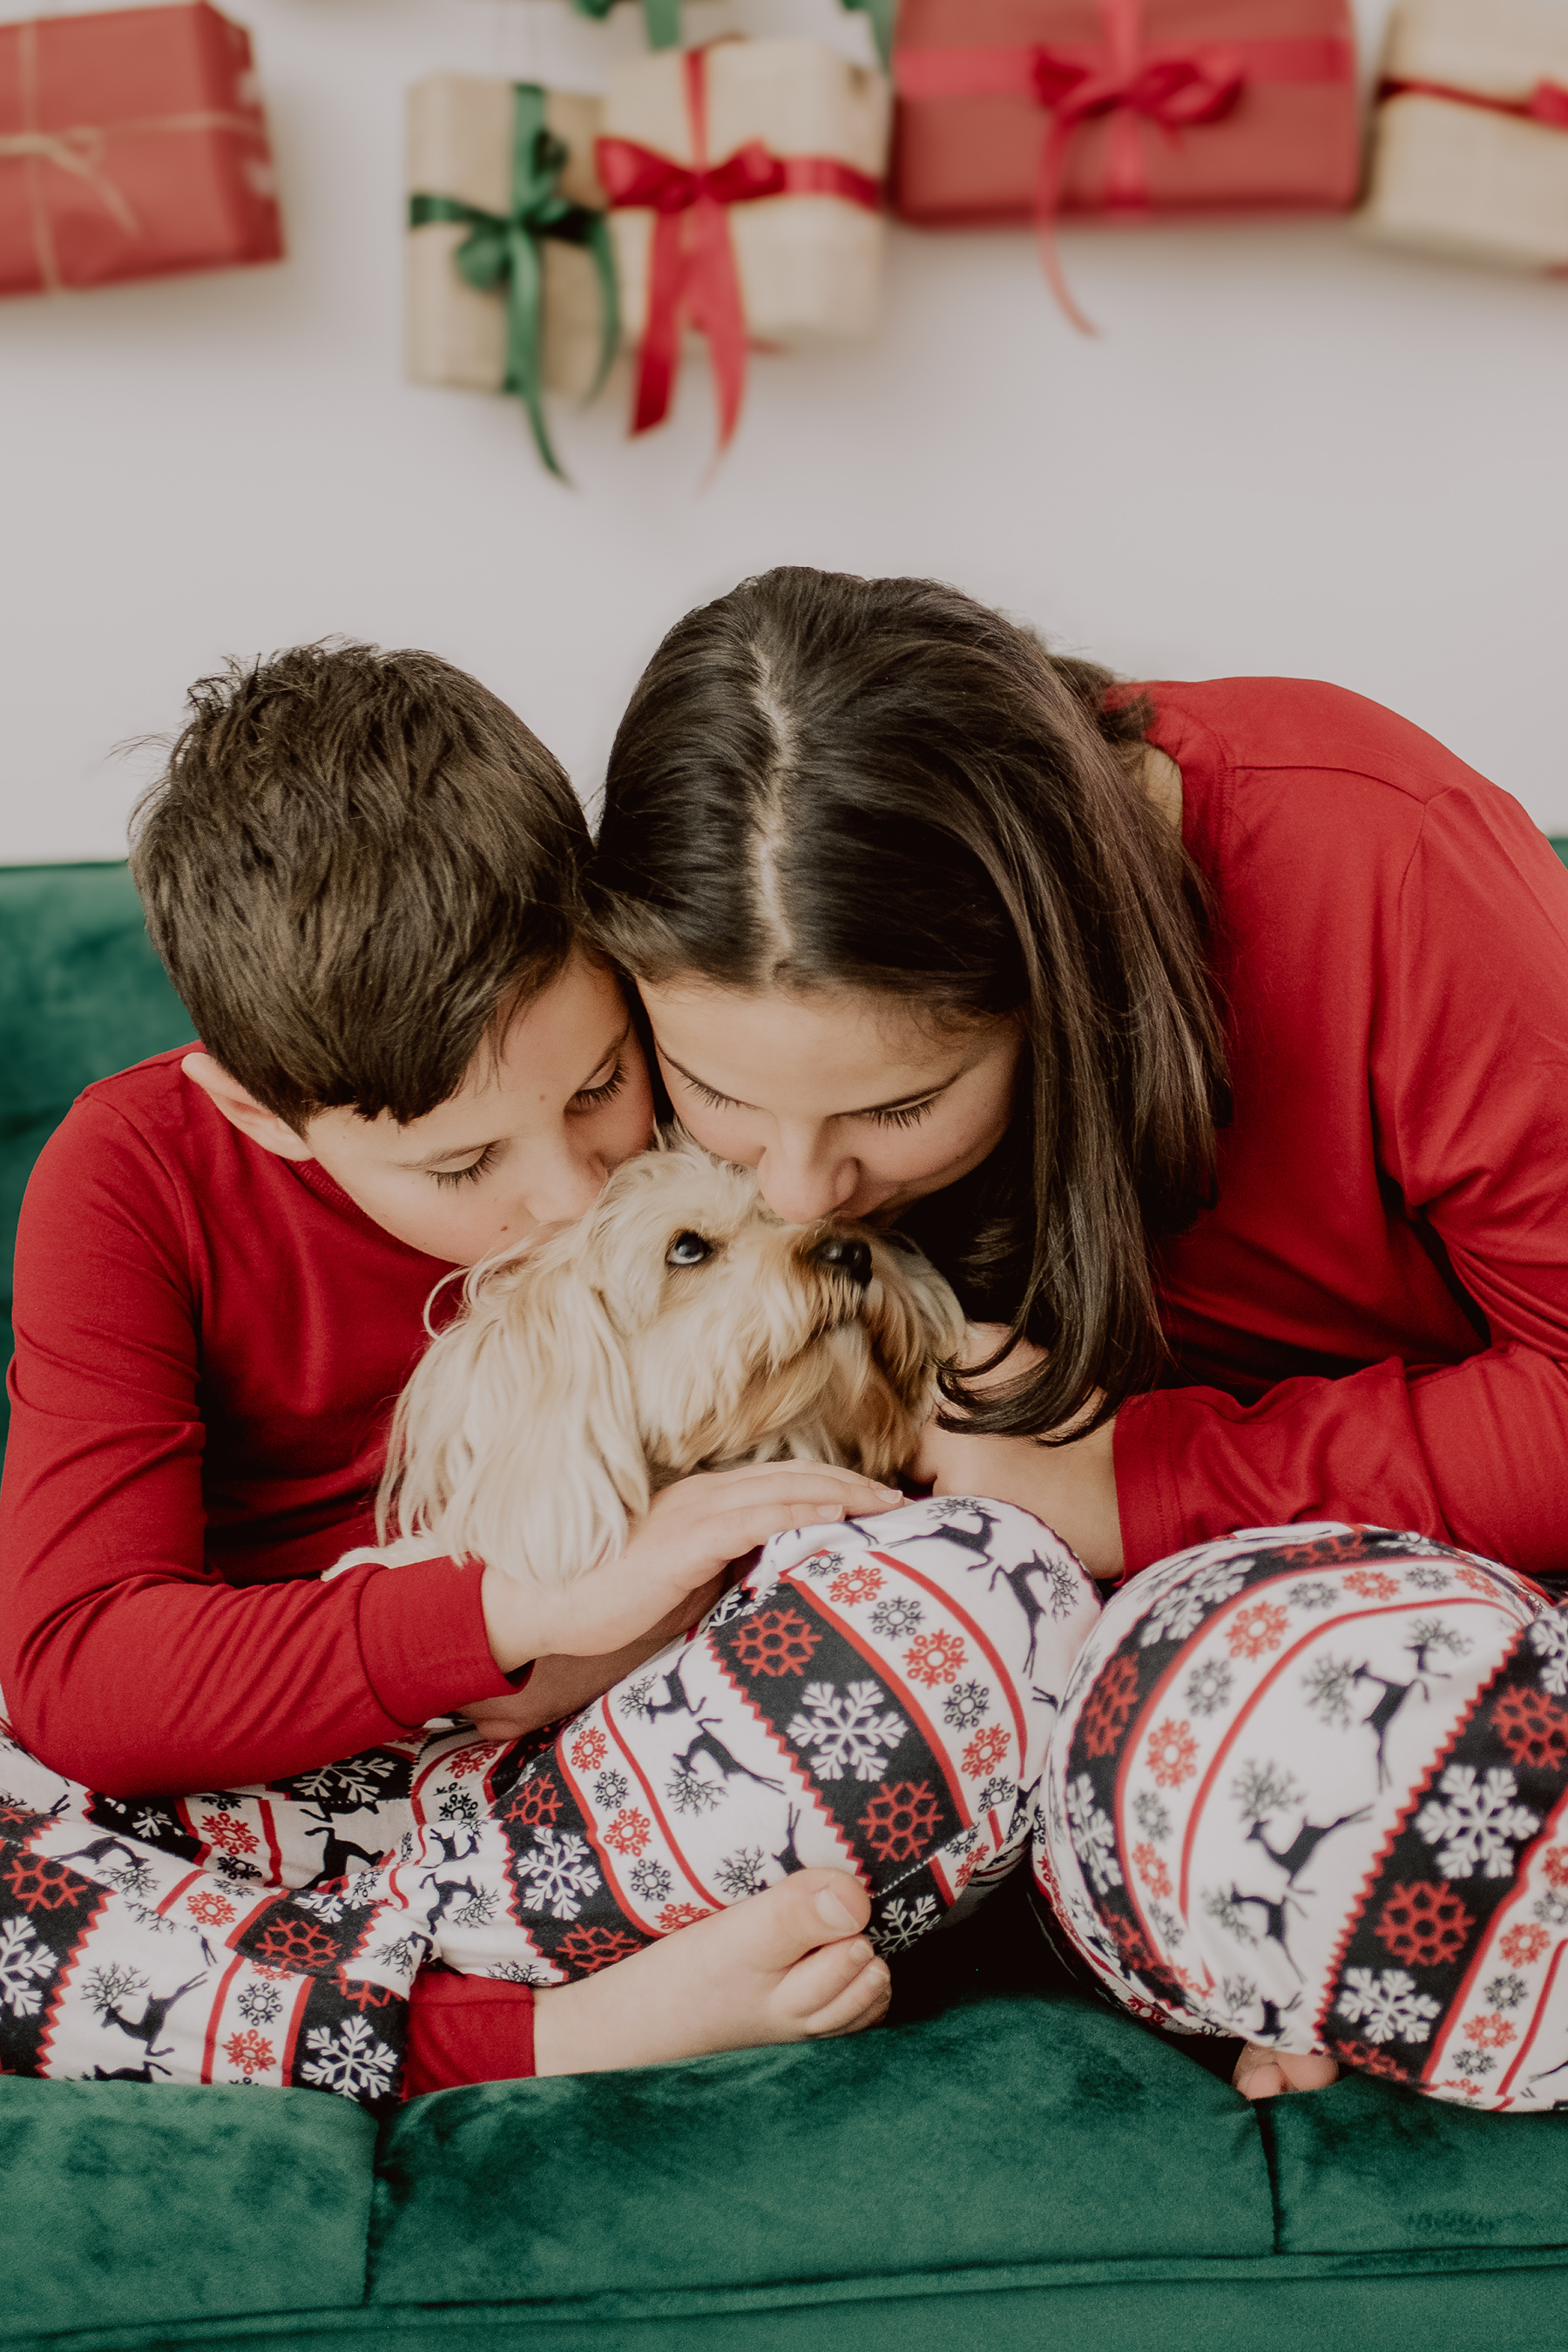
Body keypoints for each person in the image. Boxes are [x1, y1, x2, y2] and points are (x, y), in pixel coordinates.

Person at [1, 640, 1100, 2106]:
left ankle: (347, 1985)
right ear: (263, 1116)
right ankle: (543, 2029)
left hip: (619, 1775)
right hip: (260, 1785)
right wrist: (521, 1618)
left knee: (979, 1602)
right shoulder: (136, 1172)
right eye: (462, 1165)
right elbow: (80, 1679)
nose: (580, 1195)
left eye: (600, 1092)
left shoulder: (722, 1067)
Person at [587, 566, 1568, 2112]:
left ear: (1061, 977)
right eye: (717, 1093)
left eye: (901, 1107)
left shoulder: (1376, 855)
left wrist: (1146, 1486)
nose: (800, 1188)